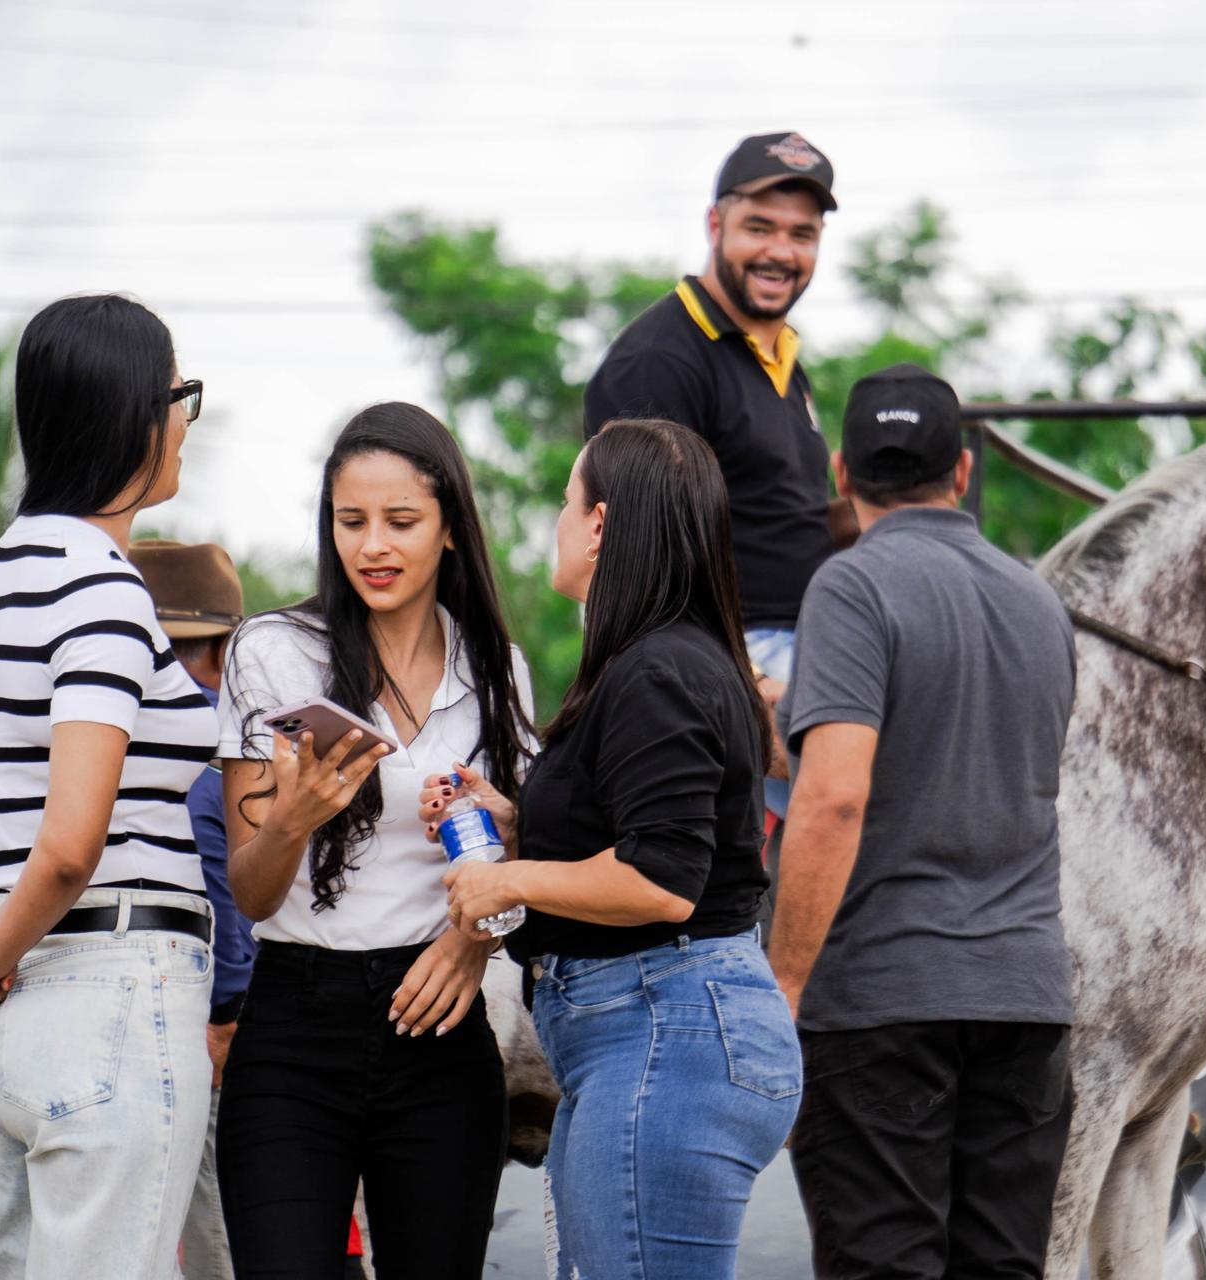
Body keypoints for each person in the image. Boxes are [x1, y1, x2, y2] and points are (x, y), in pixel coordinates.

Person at [0, 293, 217, 1277]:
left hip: (12, 1030)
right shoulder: (103, 588)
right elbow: (69, 847)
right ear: (137, 415)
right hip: (116, 999)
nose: (187, 421)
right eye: (182, 396)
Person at [435, 417, 800, 1280]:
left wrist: (507, 881)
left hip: (664, 1031)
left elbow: (660, 880)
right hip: (658, 1033)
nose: (558, 522)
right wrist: (519, 825)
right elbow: (652, 837)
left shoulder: (657, 670)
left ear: (599, 524)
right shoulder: (667, 661)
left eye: (567, 502)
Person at [769, 364, 1078, 1280]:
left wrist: (783, 983)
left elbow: (835, 795)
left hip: (884, 1003)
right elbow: (972, 758)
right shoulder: (1039, 602)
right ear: (964, 472)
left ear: (840, 473)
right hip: (1024, 1000)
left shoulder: (852, 587)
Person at [214, 402, 533, 1280]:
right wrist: (295, 816)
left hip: (441, 1024)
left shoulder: (496, 669)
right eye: (351, 521)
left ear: (450, 527)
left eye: (401, 520)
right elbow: (251, 894)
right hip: (294, 1028)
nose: (373, 546)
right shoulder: (275, 650)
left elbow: (514, 871)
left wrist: (471, 944)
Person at [581, 131, 841, 819]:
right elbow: (638, 554)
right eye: (760, 227)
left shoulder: (782, 359)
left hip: (814, 642)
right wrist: (743, 681)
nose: (781, 251)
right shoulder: (659, 361)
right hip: (736, 656)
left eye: (802, 234)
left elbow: (784, 517)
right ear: (714, 224)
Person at [120, 538, 259, 1280]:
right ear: (225, 650)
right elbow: (225, 901)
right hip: (212, 1032)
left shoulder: (74, 737)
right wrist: (228, 1010)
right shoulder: (222, 742)